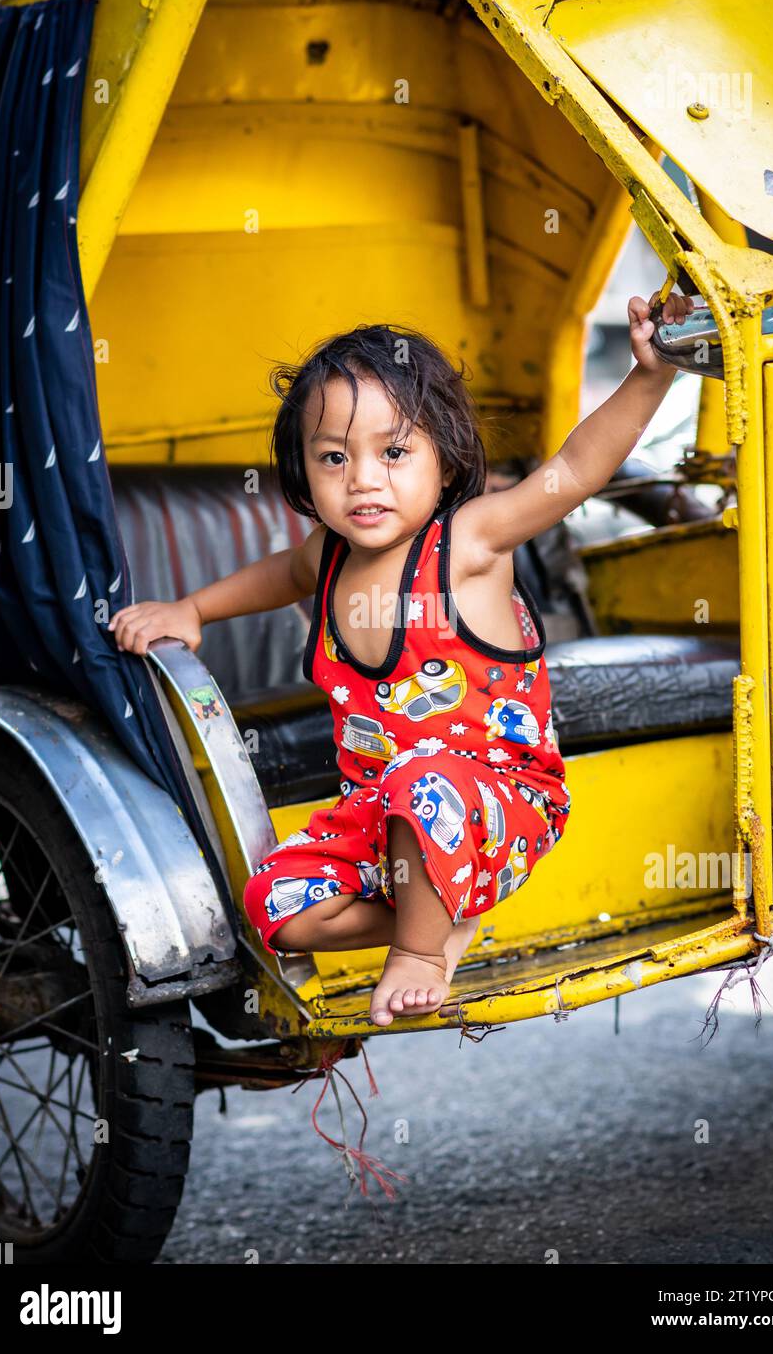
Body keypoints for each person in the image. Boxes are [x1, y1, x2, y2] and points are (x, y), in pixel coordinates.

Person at [109, 289, 694, 1026]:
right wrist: (191, 609)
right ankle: (441, 909)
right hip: (378, 821)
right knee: (272, 905)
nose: (362, 478)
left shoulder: (470, 544)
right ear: (304, 471)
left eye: (392, 452)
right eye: (333, 457)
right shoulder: (326, 556)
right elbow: (279, 575)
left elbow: (574, 471)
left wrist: (651, 374)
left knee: (423, 783)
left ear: (445, 463)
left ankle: (420, 953)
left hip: (497, 803)